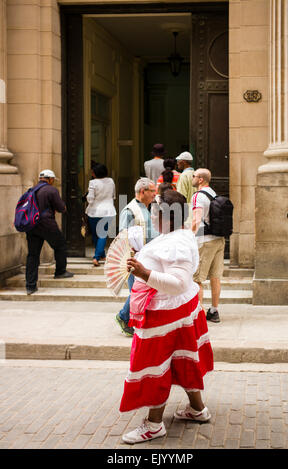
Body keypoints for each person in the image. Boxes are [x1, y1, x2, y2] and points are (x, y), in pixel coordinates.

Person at [119, 189, 213, 444]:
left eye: (154, 213)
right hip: (176, 312)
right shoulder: (176, 236)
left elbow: (179, 283)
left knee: (156, 367)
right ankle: (197, 409)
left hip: (165, 317)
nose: (151, 217)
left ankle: (154, 423)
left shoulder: (177, 242)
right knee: (184, 360)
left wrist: (144, 273)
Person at [115, 177, 159, 337]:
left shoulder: (149, 207)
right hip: (137, 257)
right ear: (143, 191)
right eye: (152, 191)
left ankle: (135, 319)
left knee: (142, 290)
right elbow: (123, 234)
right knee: (137, 291)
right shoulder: (130, 210)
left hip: (149, 256)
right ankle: (124, 317)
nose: (155, 194)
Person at [25, 169, 73, 295]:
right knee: (61, 245)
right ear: (50, 179)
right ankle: (60, 271)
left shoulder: (32, 190)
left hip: (32, 226)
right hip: (46, 224)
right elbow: (61, 207)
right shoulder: (51, 190)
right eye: (53, 180)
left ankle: (30, 286)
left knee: (33, 255)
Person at [191, 168, 225, 323]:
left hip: (205, 241)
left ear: (200, 180)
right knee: (215, 276)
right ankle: (214, 310)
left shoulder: (198, 196)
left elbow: (196, 220)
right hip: (219, 239)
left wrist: (189, 236)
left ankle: (199, 314)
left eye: (194, 176)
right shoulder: (214, 194)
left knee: (197, 278)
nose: (192, 178)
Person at [85, 163, 116, 266]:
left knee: (95, 235)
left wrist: (86, 195)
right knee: (102, 235)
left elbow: (90, 199)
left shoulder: (92, 183)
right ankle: (101, 255)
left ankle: (96, 257)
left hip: (94, 212)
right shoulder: (111, 181)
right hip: (108, 211)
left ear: (94, 173)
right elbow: (113, 196)